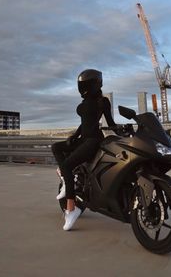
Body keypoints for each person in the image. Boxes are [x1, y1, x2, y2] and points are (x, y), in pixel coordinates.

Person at [51, 69, 118, 231]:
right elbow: (86, 122)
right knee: (56, 147)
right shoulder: (87, 100)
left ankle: (71, 209)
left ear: (94, 84)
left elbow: (110, 123)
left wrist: (126, 131)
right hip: (82, 139)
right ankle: (67, 180)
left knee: (67, 165)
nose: (82, 87)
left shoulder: (103, 102)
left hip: (93, 141)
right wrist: (74, 135)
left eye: (85, 84)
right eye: (81, 84)